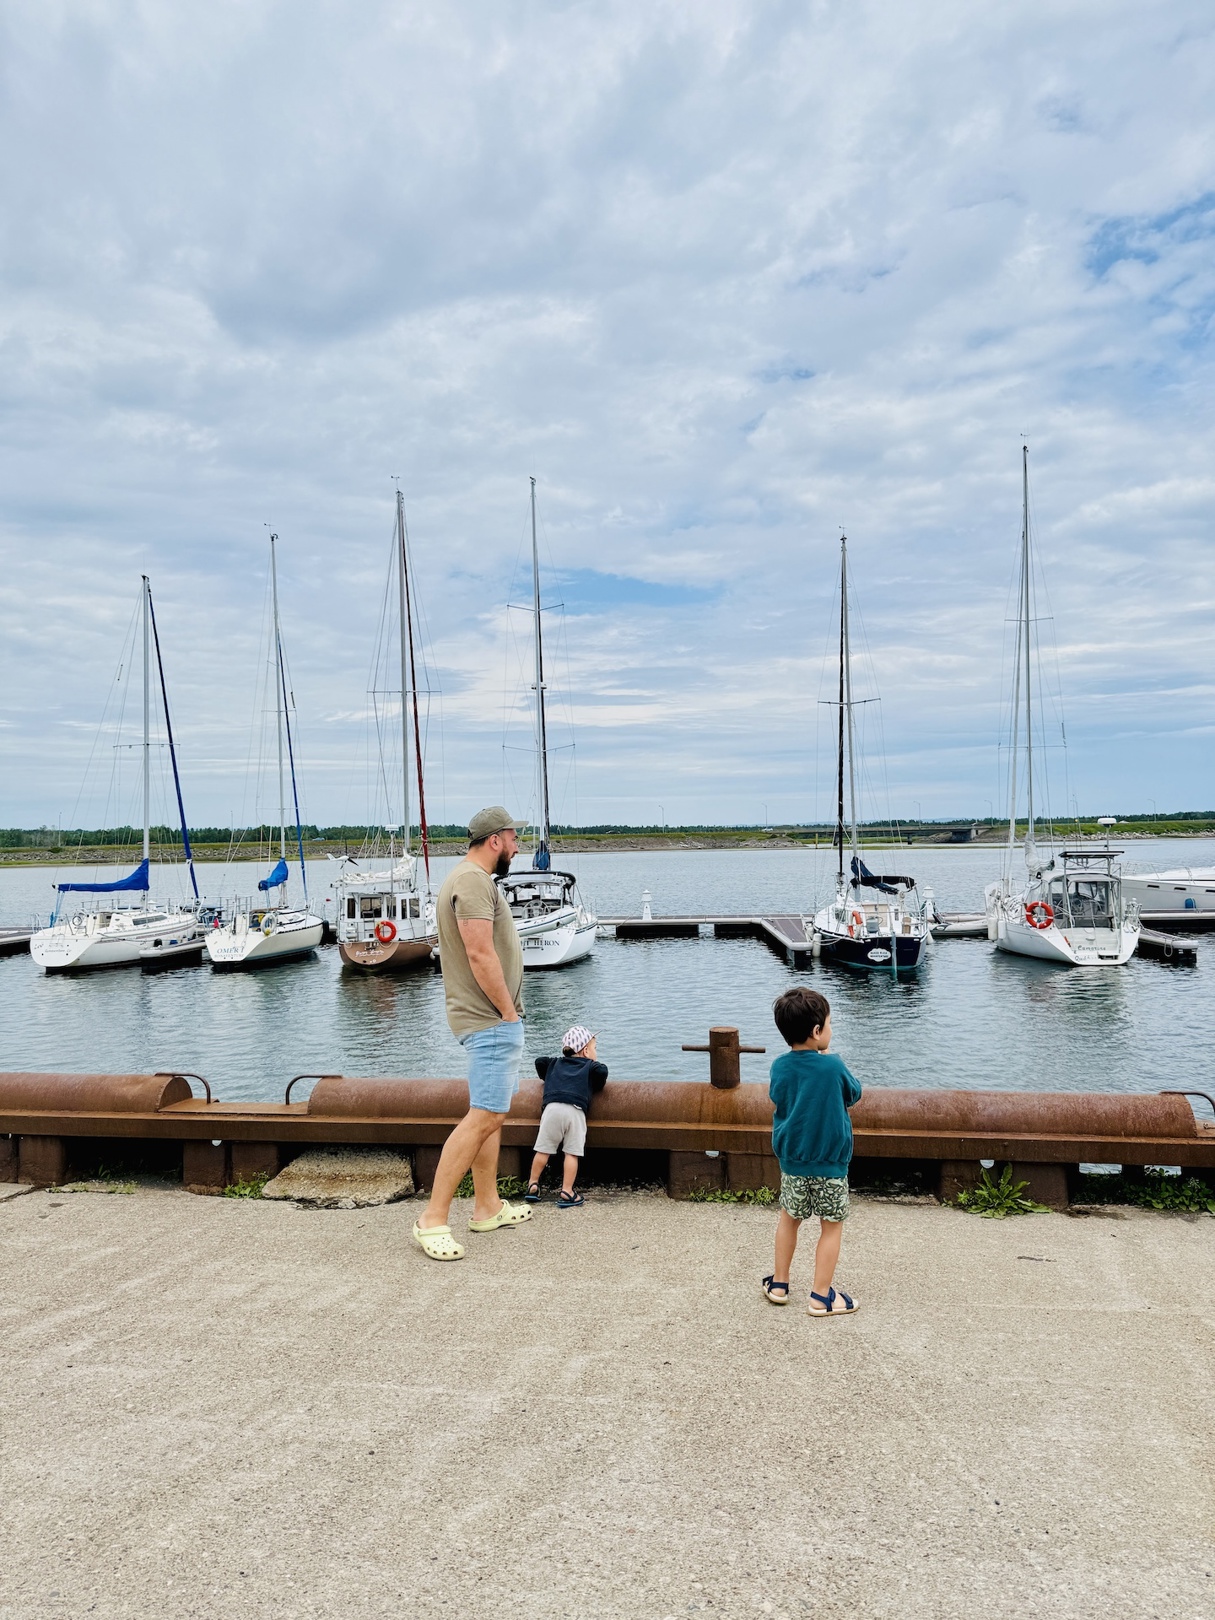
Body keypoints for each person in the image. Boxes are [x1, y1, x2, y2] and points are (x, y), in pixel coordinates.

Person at [413, 806, 534, 1261]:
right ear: (495, 840)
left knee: (492, 1112)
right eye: (514, 837)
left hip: (490, 1018)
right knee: (483, 1115)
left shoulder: (473, 880)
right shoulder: (471, 882)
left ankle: (487, 1206)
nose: (518, 846)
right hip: (488, 1019)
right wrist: (507, 1013)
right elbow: (480, 954)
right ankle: (432, 1219)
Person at [762, 986, 862, 1316]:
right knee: (831, 1225)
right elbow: (854, 1093)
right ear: (817, 1031)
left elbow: (778, 1096)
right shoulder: (833, 1066)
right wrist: (824, 1060)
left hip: (793, 1162)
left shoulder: (780, 1067)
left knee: (789, 1220)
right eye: (829, 1024)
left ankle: (779, 1283)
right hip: (831, 1163)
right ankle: (821, 1296)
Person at [524, 1025, 608, 1208]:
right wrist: (593, 1064)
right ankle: (567, 1191)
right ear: (586, 1051)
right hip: (575, 1110)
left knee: (543, 1149)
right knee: (571, 1153)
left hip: (552, 1108)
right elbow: (602, 1073)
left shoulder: (554, 1063)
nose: (596, 1051)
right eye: (594, 1048)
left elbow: (540, 1061)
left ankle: (533, 1184)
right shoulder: (590, 1067)